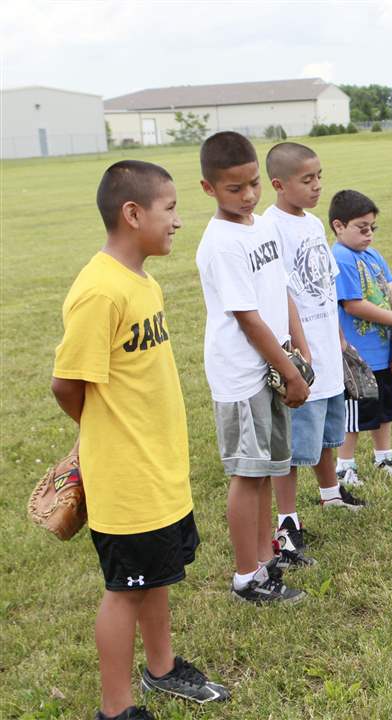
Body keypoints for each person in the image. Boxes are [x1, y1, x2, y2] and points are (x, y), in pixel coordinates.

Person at [51, 161, 229, 720]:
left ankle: (162, 668)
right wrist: (105, 436)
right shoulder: (100, 292)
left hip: (159, 464)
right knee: (126, 589)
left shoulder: (142, 281)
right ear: (133, 214)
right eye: (169, 208)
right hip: (126, 473)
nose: (178, 220)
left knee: (156, 578)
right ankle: (117, 709)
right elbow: (66, 384)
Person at [195, 131, 310, 605]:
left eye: (253, 185)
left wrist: (299, 349)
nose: (247, 197)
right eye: (233, 189)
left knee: (266, 467)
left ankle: (267, 557)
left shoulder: (259, 225)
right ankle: (248, 576)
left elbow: (279, 290)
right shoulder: (221, 242)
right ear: (208, 189)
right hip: (242, 374)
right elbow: (246, 318)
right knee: (248, 472)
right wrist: (290, 372)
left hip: (274, 363)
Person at [263, 142, 364, 571]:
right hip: (301, 354)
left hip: (326, 344)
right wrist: (300, 350)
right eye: (308, 180)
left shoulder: (309, 224)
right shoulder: (272, 228)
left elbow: (325, 285)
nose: (318, 186)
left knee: (327, 431)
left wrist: (338, 336)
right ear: (279, 184)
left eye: (320, 176)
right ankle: (287, 521)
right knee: (291, 446)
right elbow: (282, 294)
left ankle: (330, 493)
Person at [329, 190, 392, 480]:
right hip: (358, 356)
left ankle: (384, 457)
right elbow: (353, 305)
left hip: (383, 352)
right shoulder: (340, 257)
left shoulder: (372, 255)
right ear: (338, 226)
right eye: (361, 228)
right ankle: (345, 466)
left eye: (372, 228)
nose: (369, 234)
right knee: (355, 415)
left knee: (385, 407)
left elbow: (391, 287)